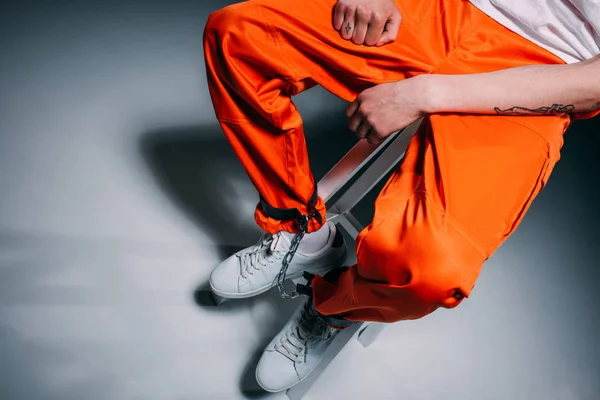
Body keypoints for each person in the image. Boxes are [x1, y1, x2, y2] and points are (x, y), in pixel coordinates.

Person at [203, 0, 600, 393]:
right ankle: (304, 233)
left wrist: (424, 93)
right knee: (239, 37)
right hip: (448, 8)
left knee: (431, 272)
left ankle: (333, 307)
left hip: (547, 71)